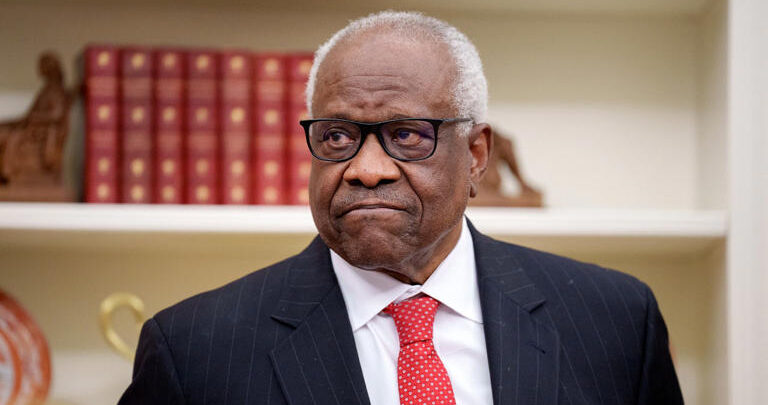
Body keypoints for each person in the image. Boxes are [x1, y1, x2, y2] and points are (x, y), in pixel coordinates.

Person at [119, 11, 683, 405]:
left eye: (407, 135)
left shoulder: (616, 322)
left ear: (476, 156)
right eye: (338, 136)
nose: (367, 169)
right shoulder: (193, 349)